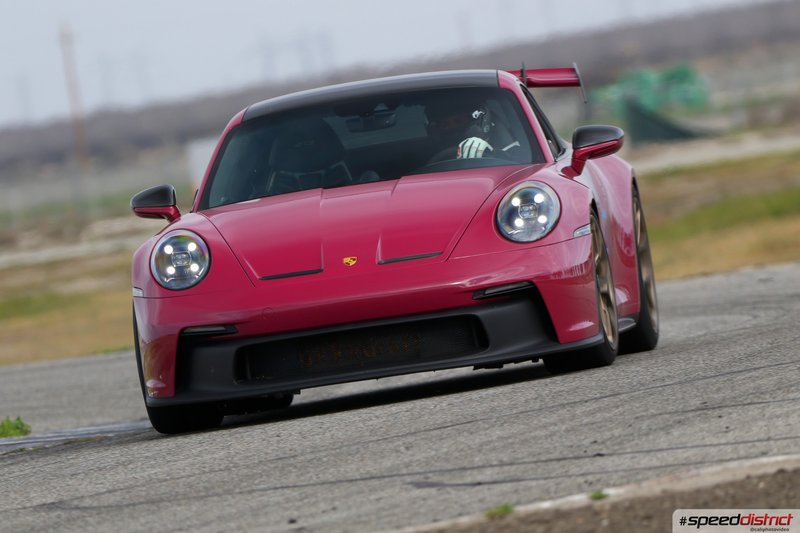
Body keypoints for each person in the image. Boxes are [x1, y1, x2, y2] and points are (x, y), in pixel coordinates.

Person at [425, 98, 518, 162]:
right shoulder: (425, 158)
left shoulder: (506, 151)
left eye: (459, 121)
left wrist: (492, 153)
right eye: (444, 125)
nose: (453, 127)